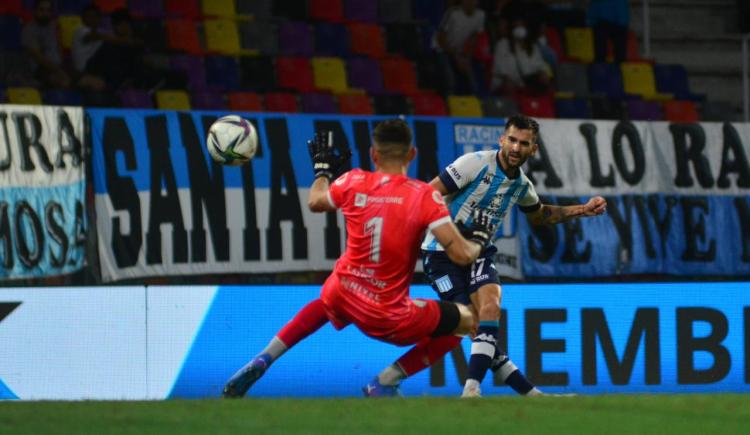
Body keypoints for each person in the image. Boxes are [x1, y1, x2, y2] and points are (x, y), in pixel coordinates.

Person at [222, 120, 495, 398]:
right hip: (386, 313)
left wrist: (323, 173)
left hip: (341, 291)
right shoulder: (424, 196)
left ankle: (264, 358)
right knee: (467, 320)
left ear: (373, 154)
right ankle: (386, 382)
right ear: (412, 154)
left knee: (326, 302)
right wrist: (480, 239)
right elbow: (461, 255)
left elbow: (316, 201)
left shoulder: (352, 180)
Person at [372, 114, 606, 398]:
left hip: (480, 251)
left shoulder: (521, 185)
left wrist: (582, 209)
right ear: (502, 140)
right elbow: (426, 196)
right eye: (512, 140)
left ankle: (472, 390)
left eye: (524, 143)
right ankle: (529, 394)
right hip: (442, 252)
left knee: (490, 307)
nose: (516, 148)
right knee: (468, 323)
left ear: (533, 149)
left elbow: (541, 215)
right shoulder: (474, 164)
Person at [432, 0, 486, 94]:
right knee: (450, 80)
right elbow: (440, 39)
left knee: (473, 82)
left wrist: (467, 59)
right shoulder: (452, 13)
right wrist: (457, 57)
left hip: (459, 51)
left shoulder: (480, 15)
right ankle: (448, 103)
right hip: (441, 49)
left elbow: (474, 38)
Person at [490, 16, 552, 96]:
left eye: (522, 26)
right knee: (508, 84)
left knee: (544, 79)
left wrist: (542, 74)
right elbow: (500, 71)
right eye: (517, 27)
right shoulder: (502, 45)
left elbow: (540, 66)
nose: (520, 30)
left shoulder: (532, 46)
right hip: (506, 83)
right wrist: (510, 80)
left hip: (527, 82)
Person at [21, 0, 71, 88]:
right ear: (35, 11)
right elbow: (39, 58)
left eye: (48, 10)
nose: (45, 13)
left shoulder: (53, 25)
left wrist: (62, 67)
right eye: (42, 10)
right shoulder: (29, 30)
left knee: (88, 80)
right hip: (40, 70)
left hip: (58, 66)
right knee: (63, 82)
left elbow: (59, 47)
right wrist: (60, 72)